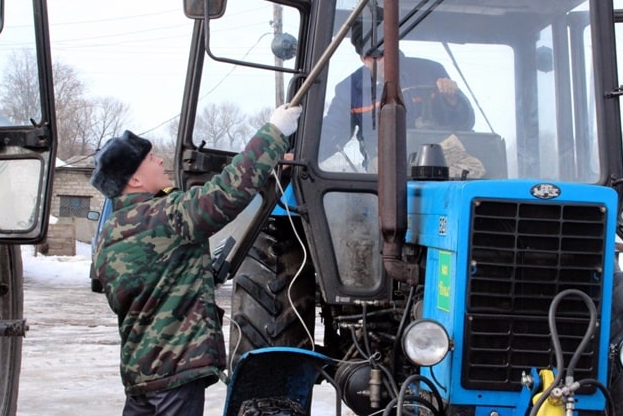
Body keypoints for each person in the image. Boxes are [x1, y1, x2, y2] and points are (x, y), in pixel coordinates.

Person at [90, 104, 302, 416]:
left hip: (139, 376)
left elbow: (136, 284)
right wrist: (274, 133)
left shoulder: (110, 233)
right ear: (134, 180)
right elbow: (226, 193)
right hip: (176, 373)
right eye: (150, 158)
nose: (159, 159)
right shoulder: (165, 216)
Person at [319, 36, 475, 169]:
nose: (386, 60)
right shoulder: (350, 89)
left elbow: (465, 122)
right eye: (377, 55)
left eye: (389, 51)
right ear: (363, 59)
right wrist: (302, 153)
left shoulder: (430, 71)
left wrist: (452, 100)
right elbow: (333, 132)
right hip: (382, 169)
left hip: (436, 163)